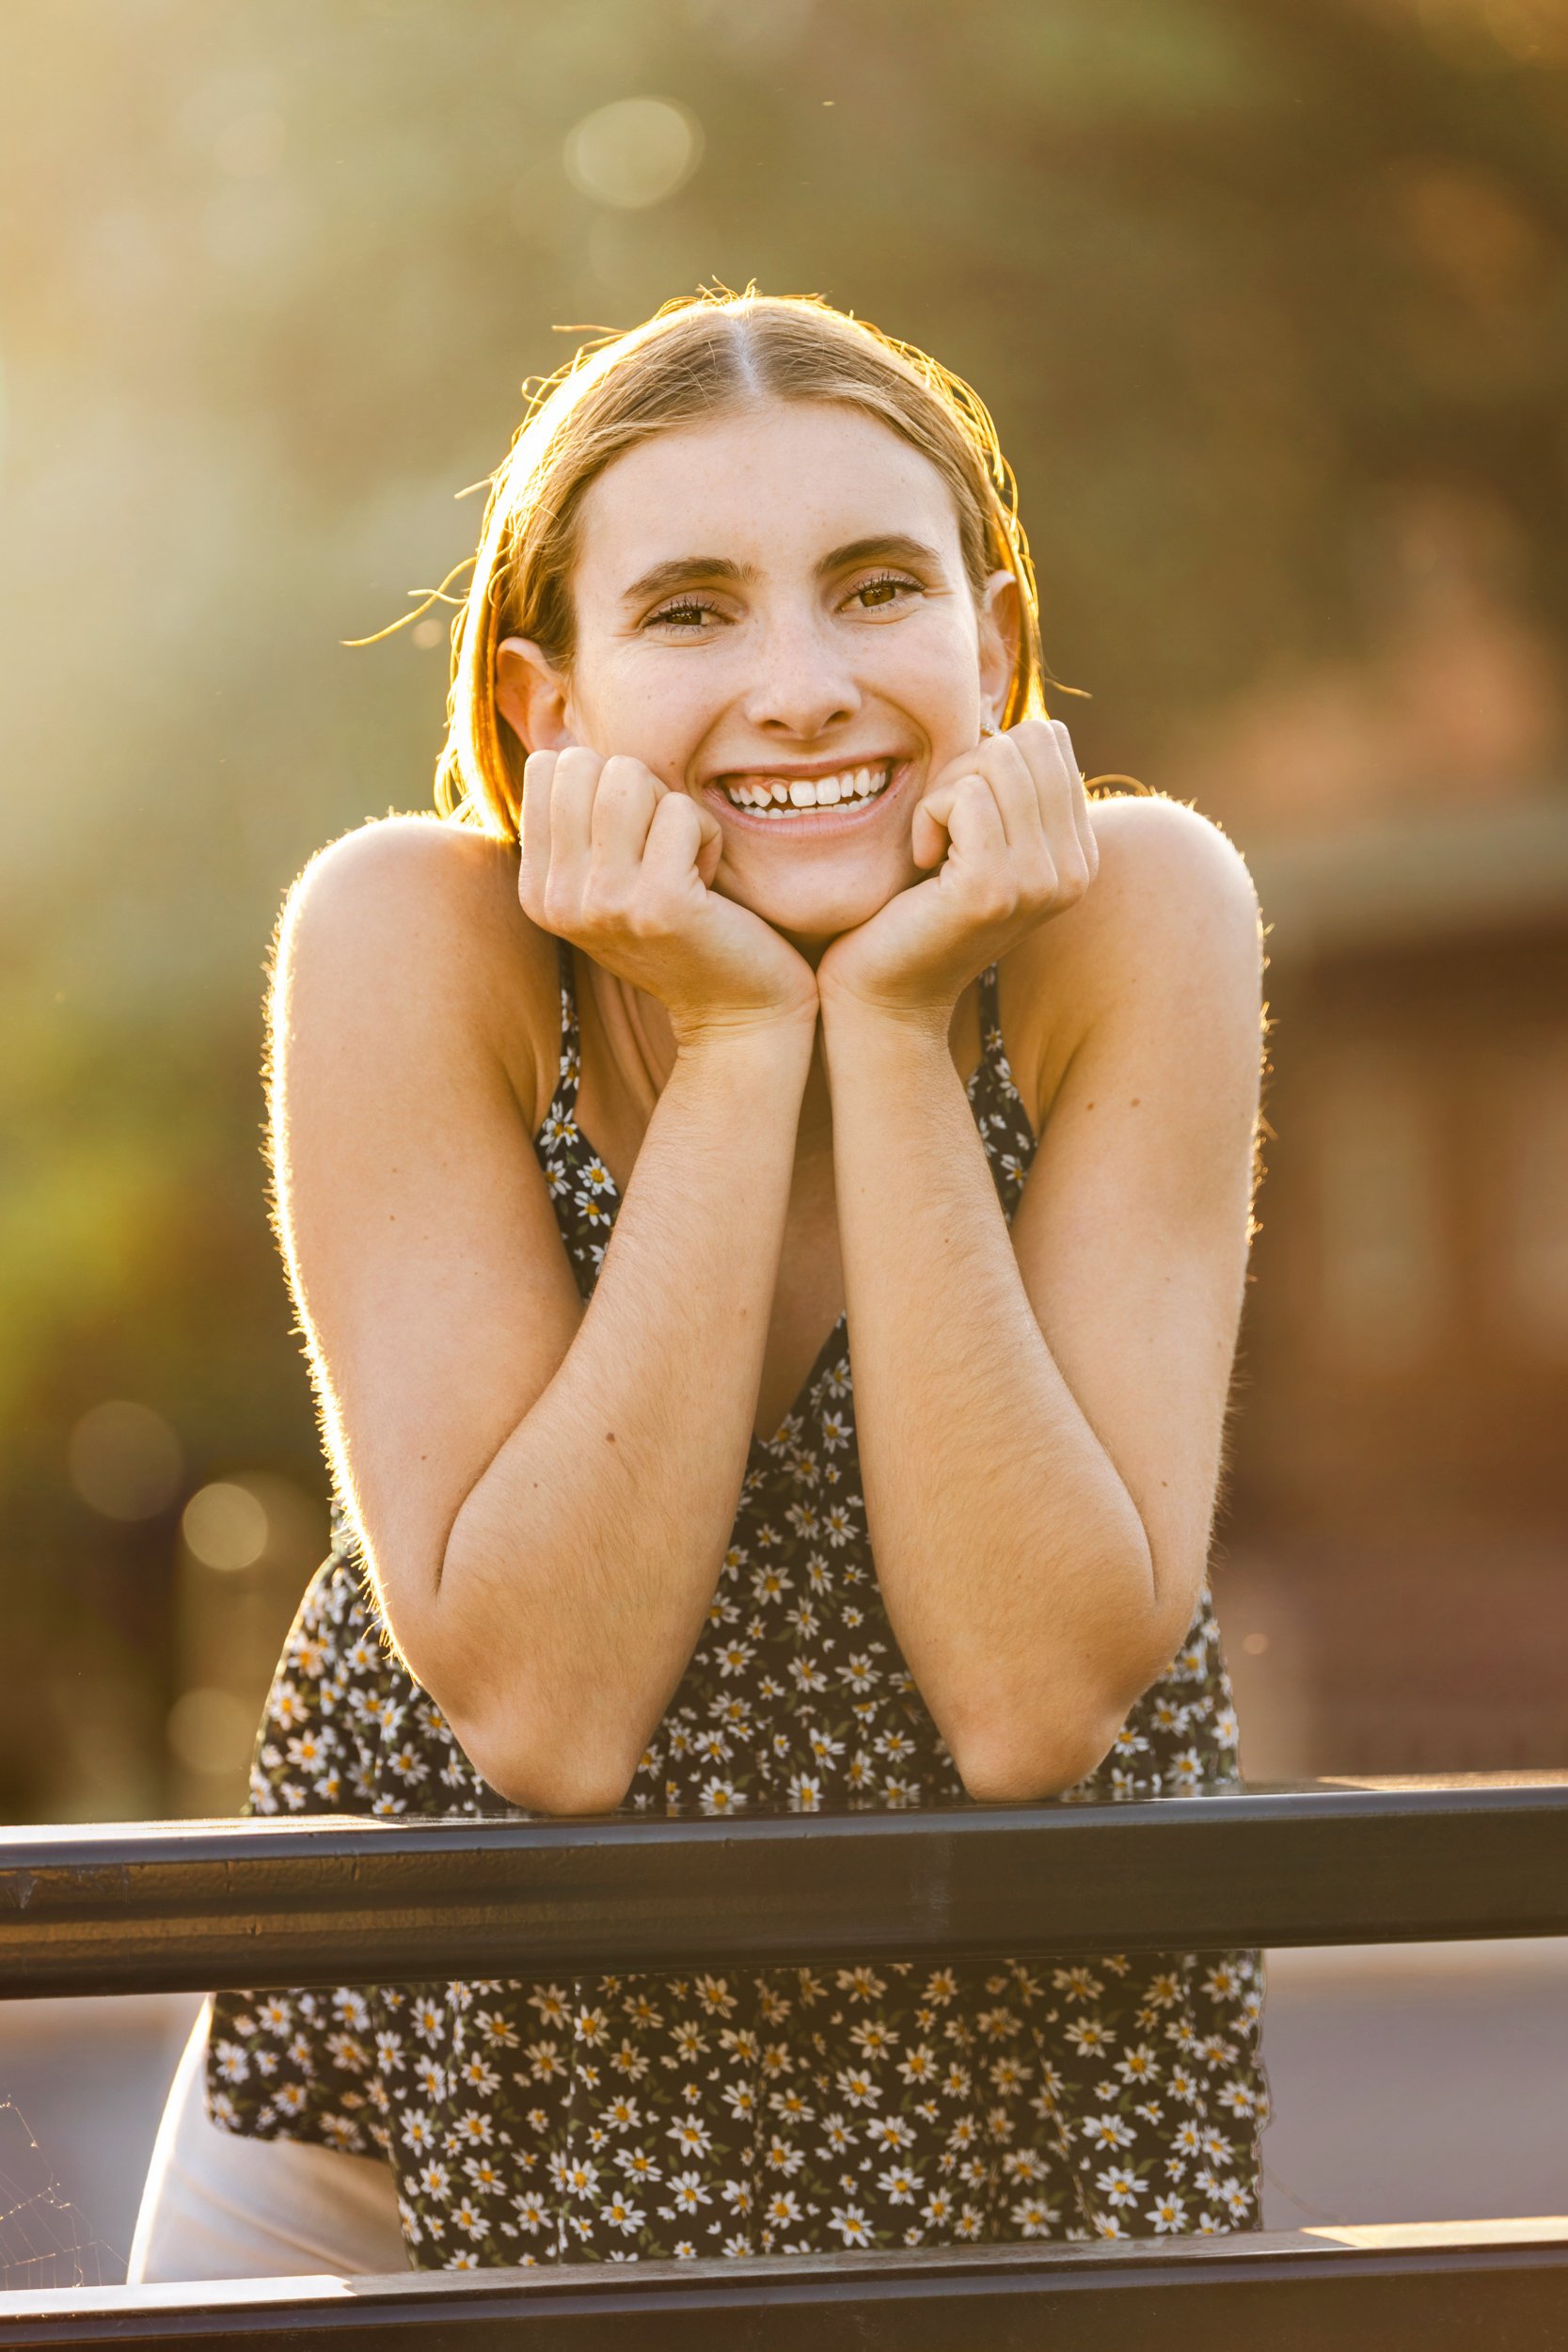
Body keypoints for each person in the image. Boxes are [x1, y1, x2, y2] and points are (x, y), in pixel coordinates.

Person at [129, 288, 1269, 2281]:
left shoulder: (1137, 914)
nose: (804, 683)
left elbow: (1032, 1703)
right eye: (688, 611)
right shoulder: (410, 939)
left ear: (992, 645)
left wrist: (894, 1030)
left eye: (876, 586)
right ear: (537, 705)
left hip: (1024, 2103)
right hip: (436, 2102)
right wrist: (744, 1048)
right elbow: (553, 1723)